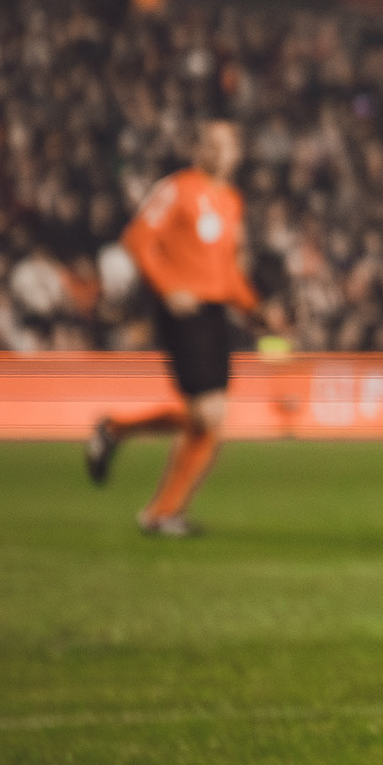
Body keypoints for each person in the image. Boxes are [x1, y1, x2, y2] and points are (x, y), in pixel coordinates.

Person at [84, 117, 261, 538]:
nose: (219, 152)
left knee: (208, 422)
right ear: (198, 149)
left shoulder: (231, 200)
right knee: (209, 414)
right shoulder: (178, 189)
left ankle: (123, 446)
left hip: (215, 313)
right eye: (211, 143)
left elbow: (227, 268)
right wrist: (168, 288)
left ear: (238, 153)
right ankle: (158, 510)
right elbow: (137, 239)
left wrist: (254, 306)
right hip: (184, 312)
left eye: (226, 145)